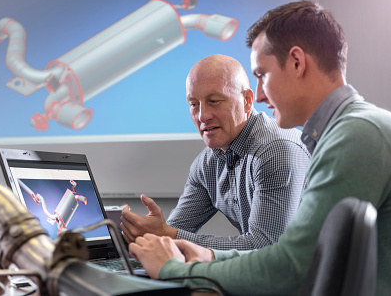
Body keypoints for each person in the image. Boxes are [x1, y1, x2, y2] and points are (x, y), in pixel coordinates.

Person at [128, 0, 391, 295]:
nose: (259, 95)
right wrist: (209, 257)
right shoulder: (347, 131)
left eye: (262, 75)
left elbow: (292, 267)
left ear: (297, 62)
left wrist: (176, 270)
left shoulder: (357, 135)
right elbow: (292, 258)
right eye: (193, 104)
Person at [120, 54, 310, 251]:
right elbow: (172, 232)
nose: (202, 116)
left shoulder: (275, 151)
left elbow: (265, 248)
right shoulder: (207, 164)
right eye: (194, 104)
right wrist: (136, 230)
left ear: (247, 100)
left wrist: (168, 235)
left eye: (214, 101)